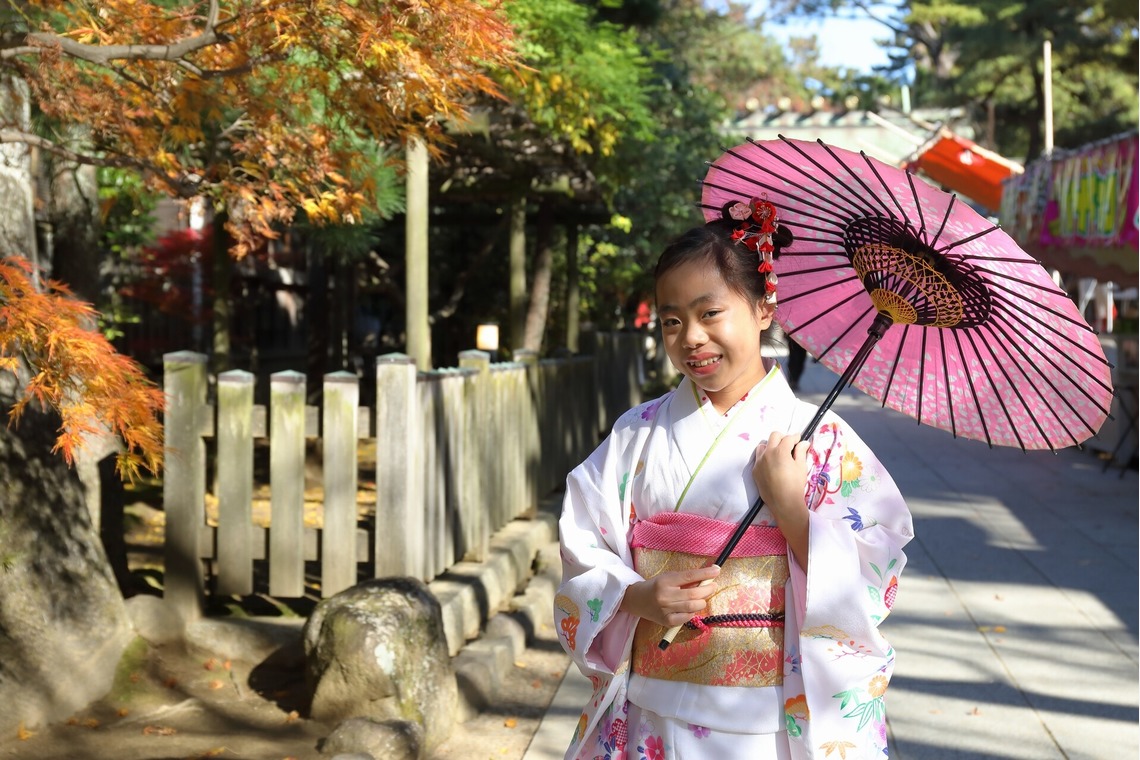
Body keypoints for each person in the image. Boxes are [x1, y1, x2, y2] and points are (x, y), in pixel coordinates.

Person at [553, 197, 914, 760]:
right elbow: (583, 537)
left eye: (710, 313)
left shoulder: (819, 438)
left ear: (764, 307)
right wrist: (638, 595)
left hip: (770, 715)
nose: (691, 337)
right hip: (657, 705)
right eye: (672, 321)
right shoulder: (636, 434)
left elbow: (878, 565)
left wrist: (793, 511)